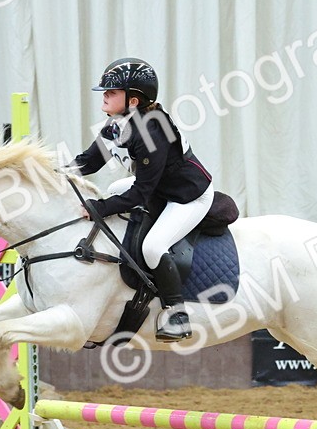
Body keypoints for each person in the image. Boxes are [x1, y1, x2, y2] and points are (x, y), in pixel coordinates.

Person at [71, 57, 214, 342]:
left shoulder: (153, 130)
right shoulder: (116, 124)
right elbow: (87, 163)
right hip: (159, 187)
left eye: (112, 92)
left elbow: (141, 193)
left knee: (153, 246)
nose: (105, 96)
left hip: (187, 197)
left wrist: (99, 209)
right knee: (113, 188)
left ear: (133, 100)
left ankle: (176, 312)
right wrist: (48, 172)